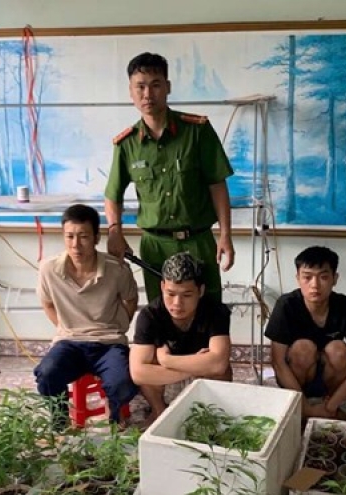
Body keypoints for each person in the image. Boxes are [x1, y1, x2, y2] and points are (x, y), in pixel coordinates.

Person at [104, 52, 235, 304]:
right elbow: (112, 195)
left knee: (209, 310)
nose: (147, 94)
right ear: (131, 92)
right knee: (162, 313)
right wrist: (114, 231)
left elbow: (217, 185)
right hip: (156, 247)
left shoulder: (197, 131)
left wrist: (226, 234)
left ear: (168, 87)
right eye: (140, 87)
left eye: (155, 85)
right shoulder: (127, 144)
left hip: (198, 241)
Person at [33, 204, 139, 429]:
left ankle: (114, 418)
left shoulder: (116, 269)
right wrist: (65, 326)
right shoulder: (49, 269)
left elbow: (131, 300)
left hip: (108, 343)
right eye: (69, 236)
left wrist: (119, 326)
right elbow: (47, 302)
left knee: (123, 382)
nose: (76, 244)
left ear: (96, 238)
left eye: (83, 236)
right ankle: (60, 421)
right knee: (46, 374)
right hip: (69, 342)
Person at [264, 246, 346, 419]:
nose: (315, 285)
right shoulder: (286, 305)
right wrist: (306, 409)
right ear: (298, 279)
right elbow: (278, 362)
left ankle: (327, 406)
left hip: (330, 380)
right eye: (307, 277)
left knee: (339, 350)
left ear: (335, 279)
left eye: (324, 277)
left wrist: (331, 406)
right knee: (302, 348)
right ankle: (300, 407)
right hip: (298, 379)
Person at [129, 252, 233, 424]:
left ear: (200, 291)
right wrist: (196, 367)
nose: (177, 303)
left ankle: (209, 417)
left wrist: (167, 360)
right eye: (170, 294)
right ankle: (159, 412)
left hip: (199, 378)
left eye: (186, 295)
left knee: (223, 371)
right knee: (149, 361)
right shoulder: (150, 315)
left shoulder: (215, 311)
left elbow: (219, 364)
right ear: (162, 286)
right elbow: (138, 373)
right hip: (167, 378)